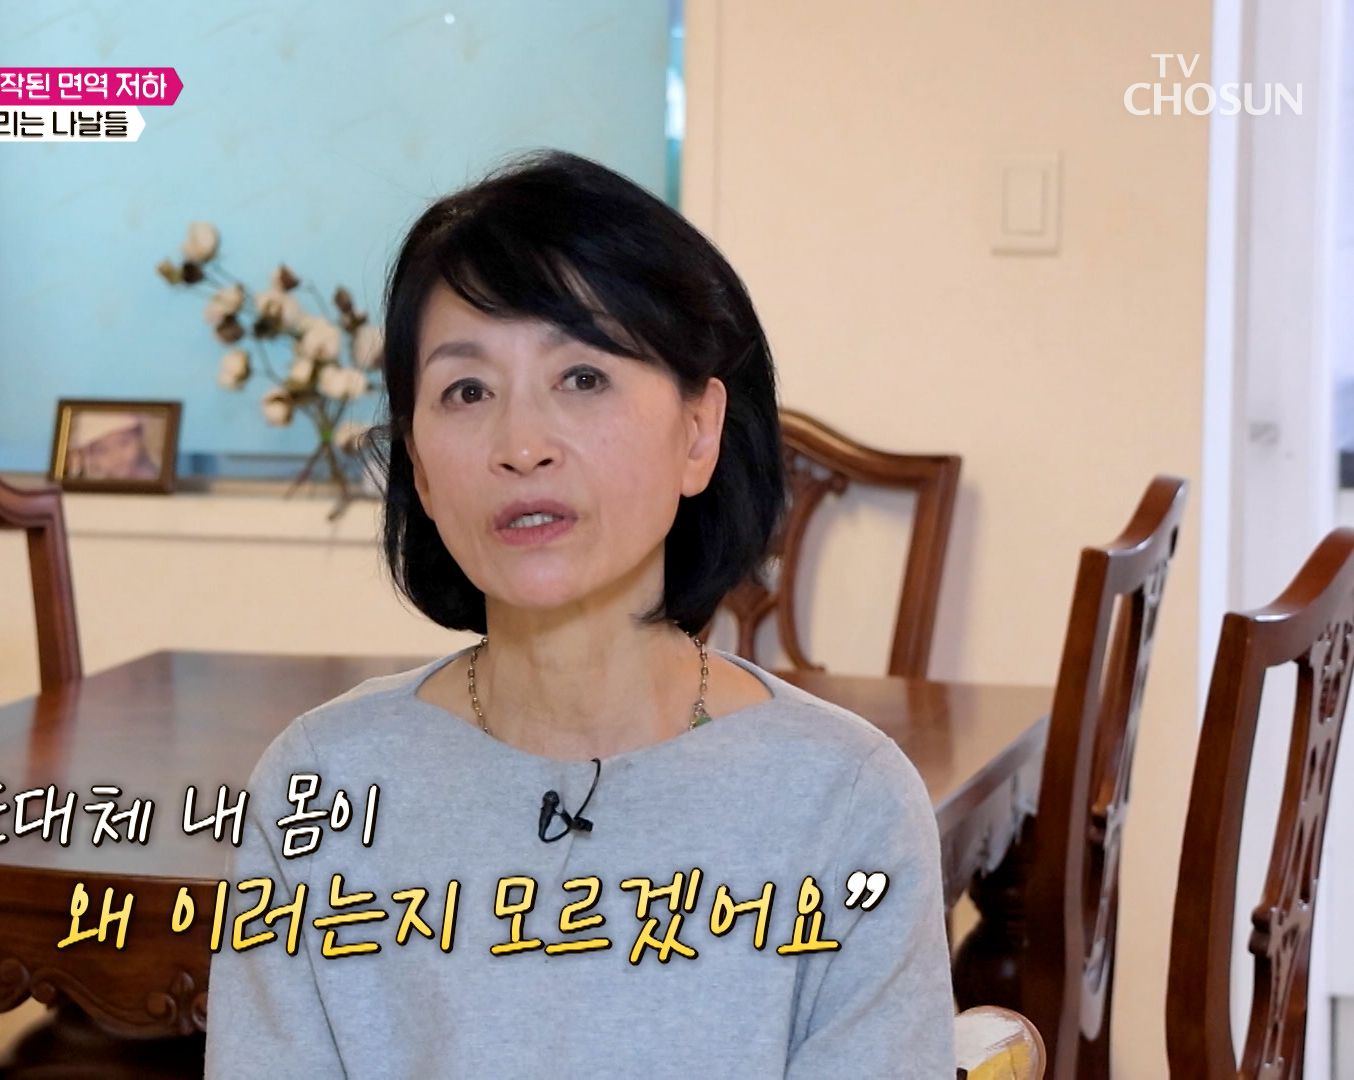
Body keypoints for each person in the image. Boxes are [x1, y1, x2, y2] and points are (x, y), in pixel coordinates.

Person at [203, 151, 954, 1078]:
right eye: (467, 391)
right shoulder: (320, 787)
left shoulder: (848, 804)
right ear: (420, 469)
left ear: (698, 431)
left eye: (584, 377)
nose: (522, 445)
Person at [73, 411, 160, 480]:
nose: (115, 455)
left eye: (123, 443)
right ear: (90, 456)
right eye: (102, 450)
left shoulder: (154, 474)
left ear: (139, 440)